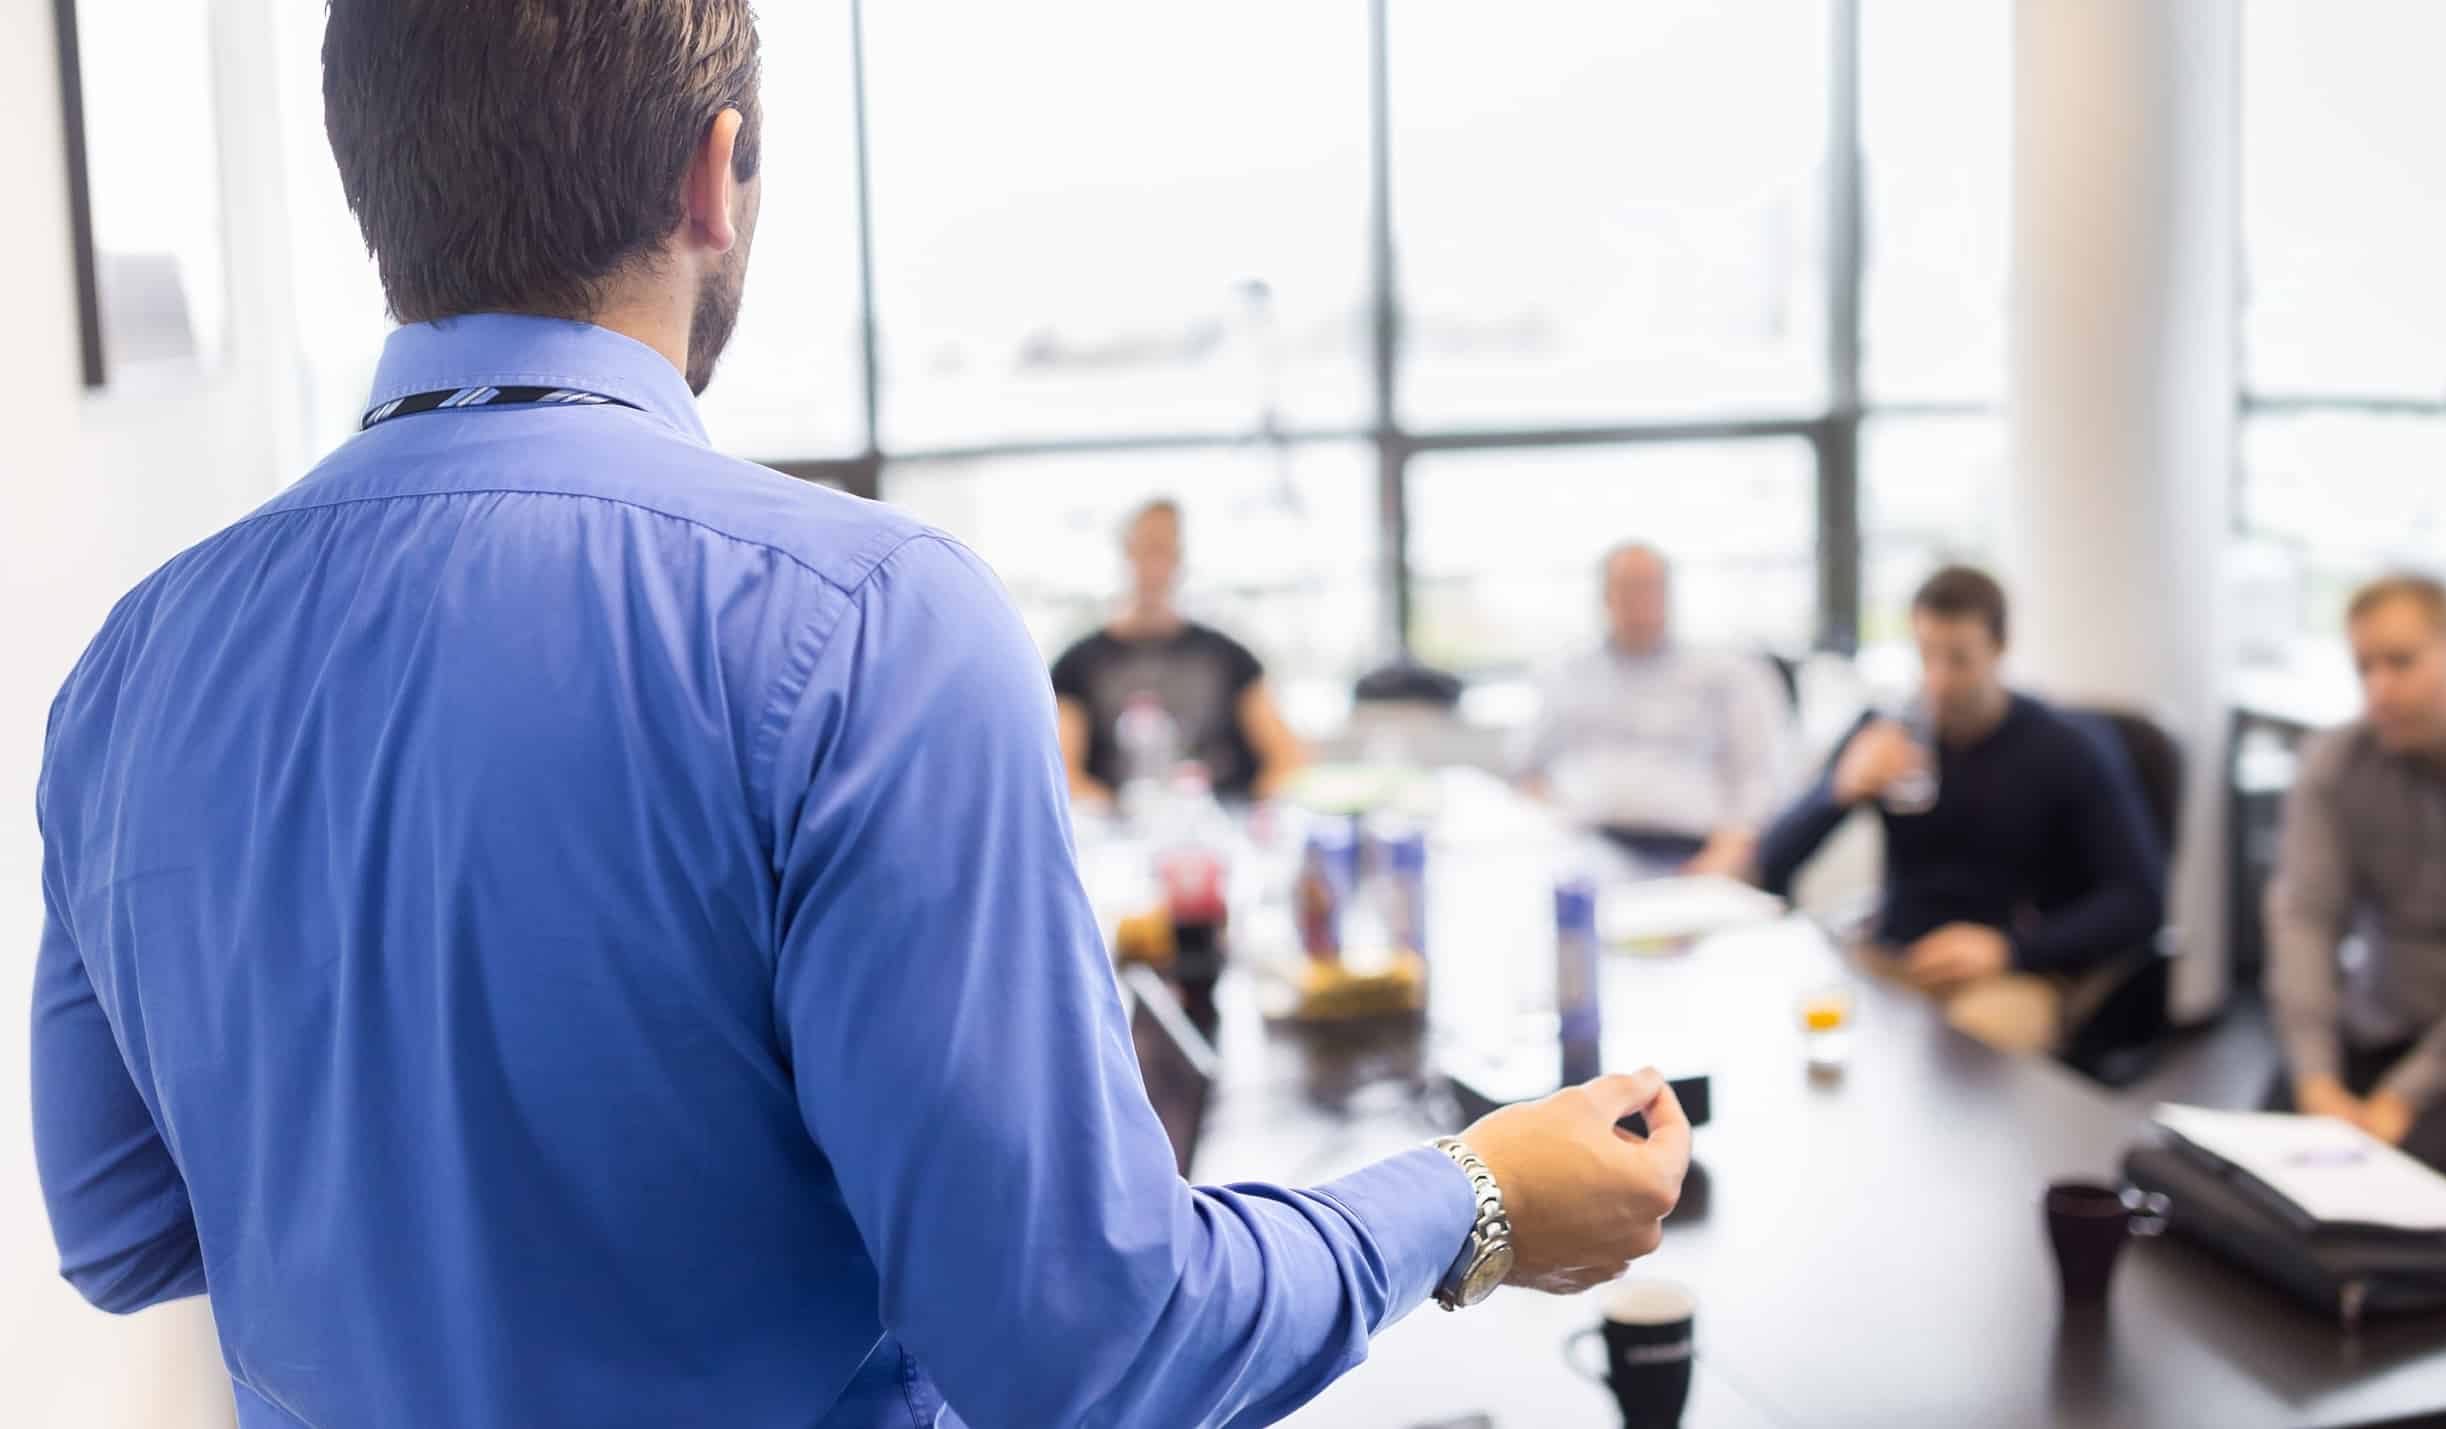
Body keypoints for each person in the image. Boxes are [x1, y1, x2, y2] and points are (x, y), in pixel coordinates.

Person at [28, 6, 1689, 1426]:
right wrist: (1477, 1195)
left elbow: (119, 1220)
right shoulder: (859, 618)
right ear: (714, 175)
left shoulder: (130, 665)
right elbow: (1088, 1349)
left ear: (376, 186)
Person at [1753, 566, 2166, 1054]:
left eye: (1959, 660)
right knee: (1803, 1029)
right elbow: (1771, 862)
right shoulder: (1889, 729)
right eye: (1926, 656)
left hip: (2011, 968)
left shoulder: (2067, 750)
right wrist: (1838, 791)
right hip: (1896, 957)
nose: (1938, 681)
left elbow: (2140, 901)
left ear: (1999, 646)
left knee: (1968, 1061)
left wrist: (2009, 949)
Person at [2263, 574, 2446, 1211]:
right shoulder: (2339, 763)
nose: (2379, 690)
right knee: (2260, 1167)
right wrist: (2317, 1079)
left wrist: (2406, 1097)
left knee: (2397, 1193)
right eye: (2364, 668)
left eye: (2400, 662)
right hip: (2379, 1031)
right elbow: (2305, 922)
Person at [1515, 542, 1793, 877]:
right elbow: (1529, 771)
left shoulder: (1729, 672)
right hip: (1583, 848)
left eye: (1649, 587)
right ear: (1605, 596)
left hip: (1690, 853)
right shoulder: (1566, 672)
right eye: (1627, 588)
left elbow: (1760, 779)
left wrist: (1727, 855)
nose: (1639, 600)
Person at [1052, 498, 1307, 804]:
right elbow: (1064, 774)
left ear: (1180, 558)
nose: (1155, 565)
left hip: (1218, 828)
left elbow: (1286, 757)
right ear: (1126, 552)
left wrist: (1253, 816)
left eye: (1165, 550)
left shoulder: (1230, 657)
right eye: (1146, 548)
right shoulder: (1077, 664)